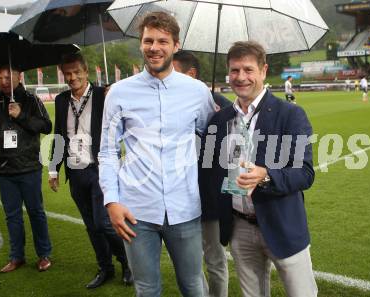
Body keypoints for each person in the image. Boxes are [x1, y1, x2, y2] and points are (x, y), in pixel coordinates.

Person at [98, 12, 215, 297]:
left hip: (184, 208)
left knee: (194, 286)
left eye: (163, 41)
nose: (154, 47)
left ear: (176, 45)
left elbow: (209, 138)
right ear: (141, 44)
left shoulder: (198, 92)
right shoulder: (119, 93)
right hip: (136, 211)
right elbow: (108, 151)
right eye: (148, 40)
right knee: (147, 289)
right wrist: (111, 201)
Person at [199, 41, 317, 297]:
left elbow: (305, 172)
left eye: (248, 70)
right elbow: (209, 170)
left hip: (282, 222)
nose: (241, 77)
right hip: (239, 227)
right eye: (234, 70)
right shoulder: (219, 120)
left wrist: (266, 175)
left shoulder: (290, 114)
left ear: (263, 70)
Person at [48, 53, 133, 289]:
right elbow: (58, 135)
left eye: (76, 72)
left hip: (100, 169)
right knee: (90, 226)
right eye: (67, 73)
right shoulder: (61, 99)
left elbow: (126, 116)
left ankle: (127, 263)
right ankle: (105, 268)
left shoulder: (103, 95)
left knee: (104, 224)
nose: (72, 77)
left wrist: (116, 92)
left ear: (86, 72)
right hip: (75, 172)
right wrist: (54, 169)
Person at [0, 65, 52, 273]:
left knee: (36, 213)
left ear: (18, 76)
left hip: (29, 167)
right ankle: (17, 257)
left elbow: (46, 127)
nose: (3, 81)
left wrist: (21, 115)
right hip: (5, 170)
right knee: (11, 215)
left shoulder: (32, 101)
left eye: (8, 77)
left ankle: (44, 254)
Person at [173, 50, 229, 297]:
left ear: (191, 74)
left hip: (209, 197)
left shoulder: (223, 106)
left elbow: (233, 152)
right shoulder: (169, 107)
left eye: (172, 72)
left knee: (214, 259)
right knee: (189, 263)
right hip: (179, 199)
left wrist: (217, 120)